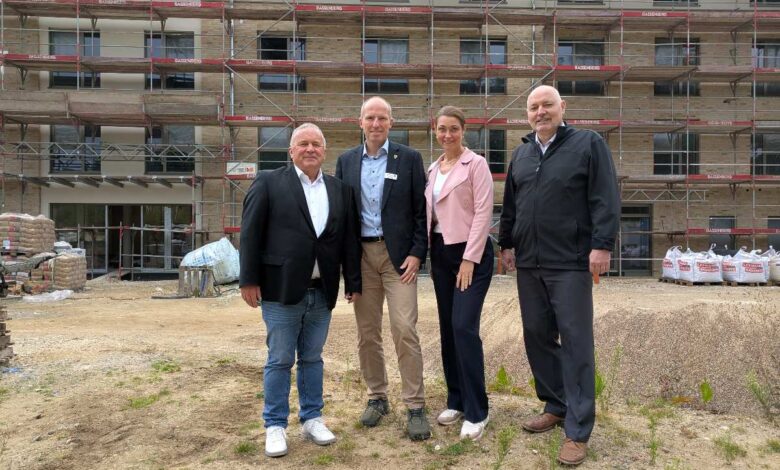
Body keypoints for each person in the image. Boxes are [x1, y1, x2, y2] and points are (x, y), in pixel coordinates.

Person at [498, 85, 620, 466]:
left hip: (570, 262)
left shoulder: (588, 143)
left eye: (547, 105)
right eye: (533, 107)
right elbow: (511, 205)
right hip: (530, 262)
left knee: (576, 340)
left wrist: (602, 244)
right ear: (527, 115)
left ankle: (578, 430)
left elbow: (605, 195)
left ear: (562, 107)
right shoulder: (521, 153)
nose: (540, 112)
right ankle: (556, 404)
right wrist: (506, 244)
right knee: (536, 334)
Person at [239, 123, 362, 458]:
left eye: (317, 144)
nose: (311, 149)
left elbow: (348, 240)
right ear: (291, 150)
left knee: (312, 358)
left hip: (322, 291)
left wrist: (353, 281)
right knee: (279, 359)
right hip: (281, 289)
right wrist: (248, 279)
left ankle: (312, 418)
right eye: (303, 143)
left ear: (325, 150)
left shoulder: (340, 189)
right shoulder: (268, 182)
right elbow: (250, 233)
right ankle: (275, 425)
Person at [335, 96, 431, 441]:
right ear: (359, 122)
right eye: (370, 118)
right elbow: (342, 218)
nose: (376, 124)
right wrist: (348, 269)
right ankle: (377, 398)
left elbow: (422, 211)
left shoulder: (408, 158)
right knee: (367, 333)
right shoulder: (346, 161)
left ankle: (416, 405)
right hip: (361, 256)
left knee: (404, 328)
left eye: (382, 118)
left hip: (398, 259)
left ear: (391, 122)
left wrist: (418, 252)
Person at [425, 106, 494, 440]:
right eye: (442, 129)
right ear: (435, 131)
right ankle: (456, 398)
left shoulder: (476, 164)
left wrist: (470, 258)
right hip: (441, 253)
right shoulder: (432, 169)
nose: (447, 135)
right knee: (447, 328)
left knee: (464, 326)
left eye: (453, 128)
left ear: (463, 130)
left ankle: (478, 409)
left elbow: (483, 212)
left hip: (471, 254)